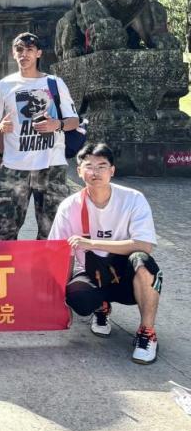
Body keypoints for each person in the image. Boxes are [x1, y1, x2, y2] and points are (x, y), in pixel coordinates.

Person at [48, 143, 161, 365]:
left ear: (112, 170)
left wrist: (91, 243)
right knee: (76, 296)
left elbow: (144, 244)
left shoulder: (133, 199)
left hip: (127, 277)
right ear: (79, 171)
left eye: (102, 166)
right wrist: (60, 302)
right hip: (93, 273)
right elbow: (60, 253)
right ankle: (101, 307)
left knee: (143, 262)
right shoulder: (69, 206)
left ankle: (147, 331)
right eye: (89, 166)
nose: (95, 172)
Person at [0, 32, 80, 240]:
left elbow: (74, 121)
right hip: (14, 166)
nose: (24, 54)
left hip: (51, 165)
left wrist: (57, 124)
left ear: (38, 53)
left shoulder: (54, 83)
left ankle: (47, 263)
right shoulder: (4, 85)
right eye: (19, 49)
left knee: (52, 230)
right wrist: (0, 126)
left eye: (29, 50)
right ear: (13, 53)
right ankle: (5, 262)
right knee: (3, 229)